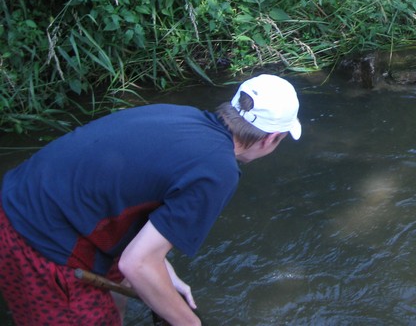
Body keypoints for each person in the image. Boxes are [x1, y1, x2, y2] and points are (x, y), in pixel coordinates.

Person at [0, 74, 302, 326]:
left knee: (120, 298)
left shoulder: (181, 115)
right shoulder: (219, 170)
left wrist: (165, 275)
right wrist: (189, 322)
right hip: (36, 240)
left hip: (17, 198)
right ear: (270, 138)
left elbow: (135, 201)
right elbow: (137, 263)